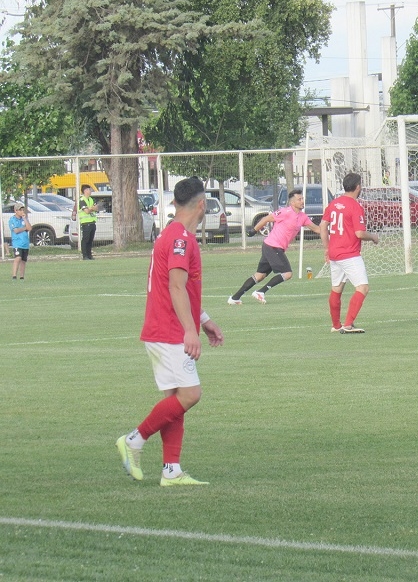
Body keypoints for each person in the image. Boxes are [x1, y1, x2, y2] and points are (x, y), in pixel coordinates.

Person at [116, 177, 224, 486]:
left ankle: (171, 471)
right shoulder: (181, 240)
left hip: (162, 328)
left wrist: (203, 319)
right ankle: (134, 439)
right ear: (201, 205)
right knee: (191, 394)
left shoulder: (174, 235)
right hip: (169, 331)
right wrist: (191, 331)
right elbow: (176, 286)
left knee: (174, 401)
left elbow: (182, 289)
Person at [227, 188, 321, 305]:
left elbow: (317, 229)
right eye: (299, 199)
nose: (302, 201)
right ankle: (261, 292)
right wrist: (254, 230)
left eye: (302, 199)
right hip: (272, 246)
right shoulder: (285, 212)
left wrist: (330, 229)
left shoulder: (302, 217)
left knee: (259, 276)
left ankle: (235, 298)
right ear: (292, 203)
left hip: (274, 248)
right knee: (287, 273)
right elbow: (266, 218)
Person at [320, 172, 379, 333]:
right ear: (358, 187)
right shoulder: (355, 206)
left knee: (337, 288)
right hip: (349, 254)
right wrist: (373, 237)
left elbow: (323, 226)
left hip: (335, 254)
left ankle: (336, 325)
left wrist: (327, 247)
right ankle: (347, 325)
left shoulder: (334, 204)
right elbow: (359, 233)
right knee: (363, 288)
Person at [9, 203, 32, 280]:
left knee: (23, 260)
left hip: (25, 243)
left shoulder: (24, 219)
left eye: (22, 210)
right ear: (15, 211)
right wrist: (24, 228)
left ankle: (22, 276)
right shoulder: (12, 220)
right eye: (20, 210)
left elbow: (29, 228)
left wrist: (25, 219)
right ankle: (14, 276)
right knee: (18, 258)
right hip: (17, 243)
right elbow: (16, 230)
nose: (22, 211)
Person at [77, 184, 98, 260]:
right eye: (89, 189)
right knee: (85, 239)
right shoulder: (82, 200)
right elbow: (86, 211)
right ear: (85, 191)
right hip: (86, 223)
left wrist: (91, 209)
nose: (91, 191)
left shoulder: (91, 199)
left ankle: (89, 255)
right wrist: (92, 208)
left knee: (90, 240)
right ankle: (84, 255)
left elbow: (96, 208)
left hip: (92, 222)